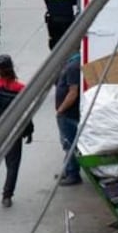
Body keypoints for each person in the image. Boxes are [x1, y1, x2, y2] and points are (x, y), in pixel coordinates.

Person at [0, 55, 33, 206]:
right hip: (13, 131)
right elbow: (27, 111)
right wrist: (29, 130)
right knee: (13, 164)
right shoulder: (21, 89)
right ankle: (7, 197)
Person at [54, 52, 82, 186]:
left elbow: (73, 92)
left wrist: (61, 109)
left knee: (68, 143)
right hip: (68, 113)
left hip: (68, 114)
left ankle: (73, 173)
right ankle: (67, 169)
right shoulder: (73, 63)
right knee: (67, 143)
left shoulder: (73, 67)